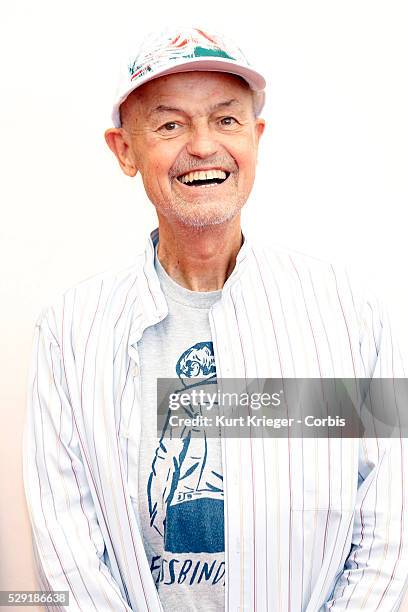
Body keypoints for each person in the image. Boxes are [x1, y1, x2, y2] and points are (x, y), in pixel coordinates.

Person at [23, 26, 408, 611]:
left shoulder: (348, 315)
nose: (203, 146)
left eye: (226, 120)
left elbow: (390, 531)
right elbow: (69, 551)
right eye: (170, 124)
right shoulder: (71, 332)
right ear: (125, 149)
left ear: (256, 138)